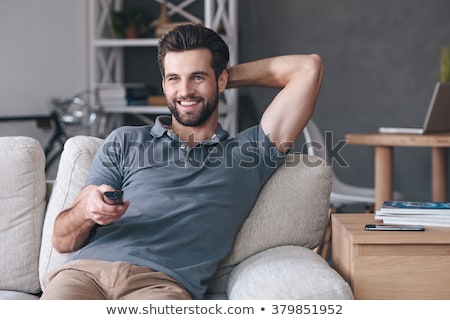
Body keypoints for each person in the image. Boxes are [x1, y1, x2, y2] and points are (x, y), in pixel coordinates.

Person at [41, 24, 323, 300]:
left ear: (221, 81)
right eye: (173, 78)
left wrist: (219, 78)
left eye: (197, 77)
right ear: (163, 84)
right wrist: (87, 212)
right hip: (83, 276)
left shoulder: (249, 153)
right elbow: (62, 241)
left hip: (160, 287)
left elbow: (307, 68)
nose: (185, 90)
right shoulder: (125, 141)